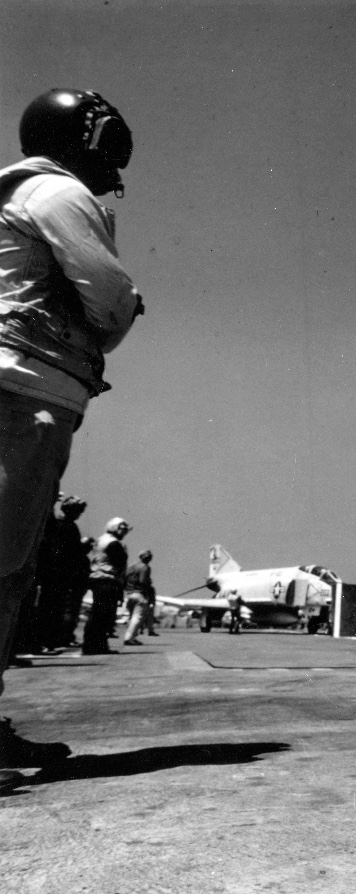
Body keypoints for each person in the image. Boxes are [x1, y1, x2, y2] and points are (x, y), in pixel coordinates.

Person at [0, 89, 140, 772]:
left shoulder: (11, 194)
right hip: (26, 391)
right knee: (2, 564)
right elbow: (111, 303)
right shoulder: (58, 195)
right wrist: (125, 311)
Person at [39, 495, 90, 650]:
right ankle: (47, 641)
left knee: (52, 608)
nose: (79, 514)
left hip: (56, 573)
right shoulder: (66, 526)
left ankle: (49, 640)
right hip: (59, 574)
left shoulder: (60, 524)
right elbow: (68, 552)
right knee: (52, 608)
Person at [84, 518, 131, 655]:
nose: (124, 533)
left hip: (97, 578)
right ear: (116, 528)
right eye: (122, 529)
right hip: (107, 579)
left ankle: (92, 645)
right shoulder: (114, 543)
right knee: (103, 614)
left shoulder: (102, 540)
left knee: (97, 613)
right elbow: (120, 562)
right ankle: (97, 646)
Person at [122, 549, 154, 646]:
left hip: (129, 594)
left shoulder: (131, 567)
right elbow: (143, 581)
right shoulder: (145, 567)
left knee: (131, 617)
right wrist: (149, 589)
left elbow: (124, 579)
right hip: (139, 594)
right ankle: (129, 638)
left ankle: (132, 637)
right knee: (137, 618)